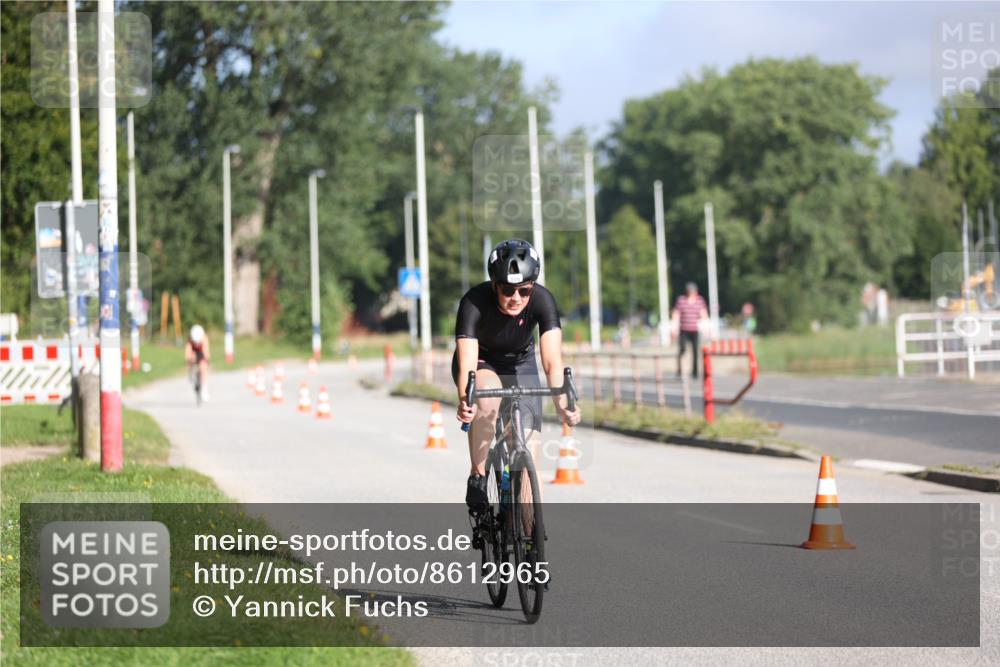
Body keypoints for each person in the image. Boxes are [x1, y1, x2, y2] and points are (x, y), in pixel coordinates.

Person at [453, 239, 581, 511]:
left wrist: (563, 405)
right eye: (508, 290)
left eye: (524, 290)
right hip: (483, 361)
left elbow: (552, 362)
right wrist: (466, 400)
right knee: (487, 401)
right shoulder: (474, 302)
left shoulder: (543, 300)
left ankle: (530, 528)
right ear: (494, 285)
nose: (516, 298)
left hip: (521, 363)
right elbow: (467, 364)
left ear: (532, 286)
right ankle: (478, 475)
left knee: (527, 455)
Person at [671, 282, 708, 378]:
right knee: (682, 349)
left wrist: (706, 328)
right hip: (683, 330)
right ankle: (680, 370)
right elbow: (676, 314)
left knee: (696, 351)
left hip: (695, 330)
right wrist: (674, 328)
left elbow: (703, 314)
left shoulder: (699, 300)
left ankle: (695, 372)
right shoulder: (681, 300)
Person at [185, 324, 211, 401]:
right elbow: (188, 352)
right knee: (190, 360)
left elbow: (206, 352)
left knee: (203, 367)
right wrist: (189, 358)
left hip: (201, 352)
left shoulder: (204, 339)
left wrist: (206, 360)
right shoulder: (190, 340)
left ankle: (204, 390)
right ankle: (190, 373)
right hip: (193, 352)